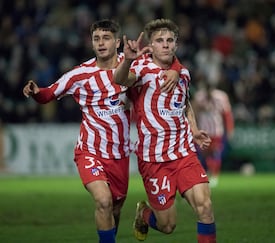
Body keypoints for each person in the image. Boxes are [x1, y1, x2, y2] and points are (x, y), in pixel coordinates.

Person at [23, 19, 180, 243]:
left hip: (119, 155)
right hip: (90, 151)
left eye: (106, 38)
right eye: (96, 38)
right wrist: (36, 91)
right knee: (104, 201)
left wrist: (175, 70)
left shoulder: (133, 66)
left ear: (117, 42)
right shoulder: (80, 75)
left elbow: (167, 57)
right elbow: (49, 94)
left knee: (114, 210)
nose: (101, 43)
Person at [114, 18, 217, 242]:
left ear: (176, 46)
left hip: (184, 153)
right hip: (154, 160)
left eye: (170, 40)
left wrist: (195, 129)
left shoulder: (184, 74)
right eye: (159, 40)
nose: (165, 44)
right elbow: (120, 79)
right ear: (151, 46)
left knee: (205, 207)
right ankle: (144, 213)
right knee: (168, 225)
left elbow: (185, 103)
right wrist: (127, 61)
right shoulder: (141, 70)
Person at [192, 80, 234, 187]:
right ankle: (204, 175)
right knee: (203, 155)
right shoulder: (199, 96)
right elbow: (193, 112)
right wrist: (193, 129)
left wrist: (229, 129)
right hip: (203, 132)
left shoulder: (221, 97)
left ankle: (214, 176)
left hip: (216, 131)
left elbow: (227, 114)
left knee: (215, 154)